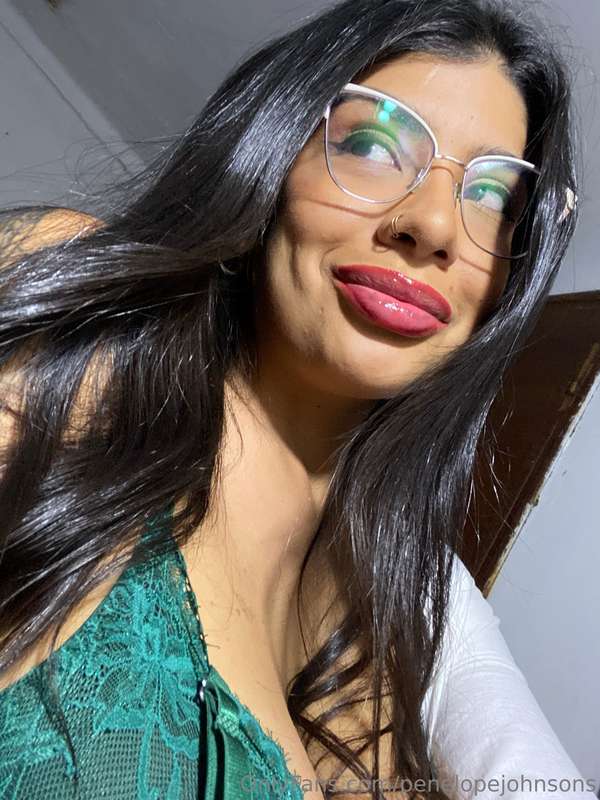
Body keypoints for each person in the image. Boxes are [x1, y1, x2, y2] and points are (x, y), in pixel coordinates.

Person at [0, 0, 591, 798]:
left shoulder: (366, 643)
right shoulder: (88, 344)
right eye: (374, 145)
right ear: (273, 155)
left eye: (494, 197)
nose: (433, 225)